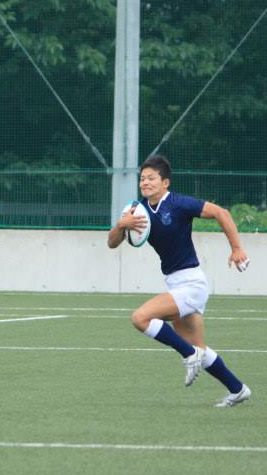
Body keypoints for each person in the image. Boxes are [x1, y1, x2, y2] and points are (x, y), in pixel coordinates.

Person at [107, 154, 252, 408]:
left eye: (151, 178)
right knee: (200, 349)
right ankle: (238, 389)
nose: (145, 182)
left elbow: (221, 213)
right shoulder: (138, 212)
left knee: (140, 318)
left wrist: (237, 248)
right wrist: (121, 225)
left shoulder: (178, 203)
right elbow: (112, 243)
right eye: (142, 179)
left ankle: (187, 354)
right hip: (175, 284)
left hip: (192, 284)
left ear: (165, 183)